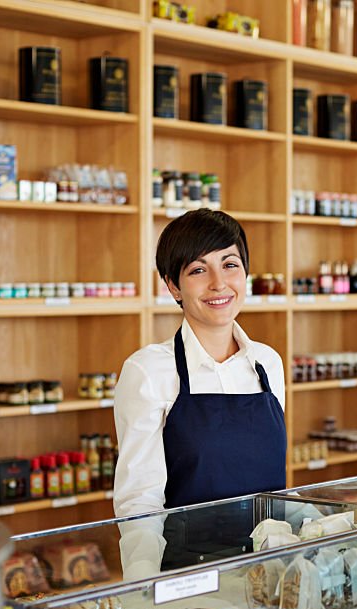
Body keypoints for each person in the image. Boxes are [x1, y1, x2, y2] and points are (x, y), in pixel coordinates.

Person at [113, 209, 286, 578]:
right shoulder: (148, 371)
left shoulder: (267, 364)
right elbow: (139, 499)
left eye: (230, 265)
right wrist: (143, 585)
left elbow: (274, 487)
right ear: (173, 286)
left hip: (271, 572)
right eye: (198, 270)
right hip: (189, 577)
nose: (219, 284)